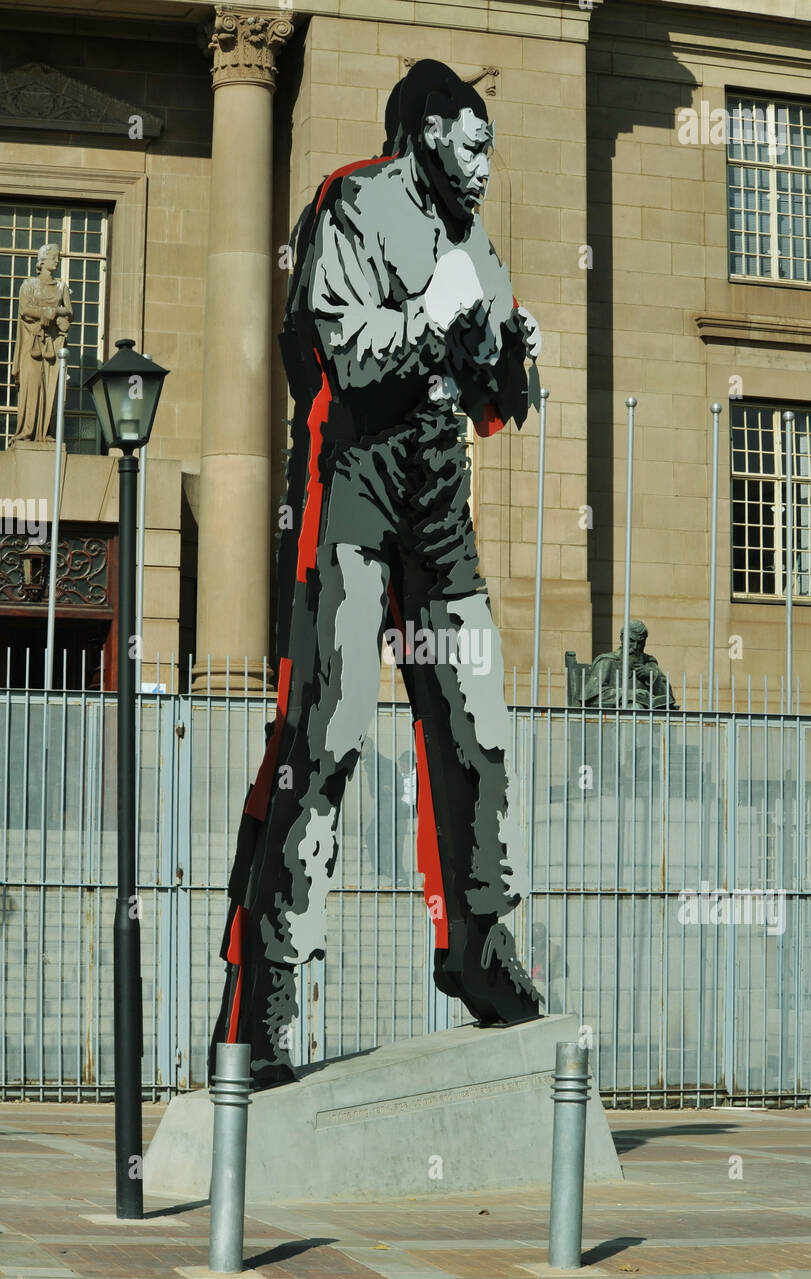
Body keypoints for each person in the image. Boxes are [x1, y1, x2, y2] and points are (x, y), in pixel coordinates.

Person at [211, 61, 543, 1088]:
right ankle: (261, 999)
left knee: (478, 725)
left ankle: (478, 948)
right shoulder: (352, 200)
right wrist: (431, 323)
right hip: (352, 491)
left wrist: (513, 363)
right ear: (427, 132)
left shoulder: (475, 243)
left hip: (439, 509)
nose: (489, 166)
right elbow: (335, 354)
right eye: (475, 143)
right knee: (328, 732)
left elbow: (489, 403)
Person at [12, 243, 72, 442]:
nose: (57, 260)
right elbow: (24, 309)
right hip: (32, 344)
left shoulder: (62, 287)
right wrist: (46, 312)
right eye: (53, 257)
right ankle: (27, 431)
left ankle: (46, 433)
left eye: (58, 257)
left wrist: (56, 312)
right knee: (32, 385)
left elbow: (69, 312)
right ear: (42, 260)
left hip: (54, 346)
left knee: (51, 388)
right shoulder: (29, 285)